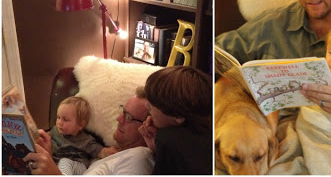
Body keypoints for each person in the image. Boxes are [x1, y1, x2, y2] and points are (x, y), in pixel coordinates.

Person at [23, 88, 154, 175]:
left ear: (148, 128)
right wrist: (49, 153)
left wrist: (54, 174)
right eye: (122, 112)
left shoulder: (139, 157)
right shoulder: (111, 156)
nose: (118, 118)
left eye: (128, 117)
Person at [138, 66, 212, 174]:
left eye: (152, 104)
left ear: (178, 116)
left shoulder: (168, 139)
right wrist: (158, 150)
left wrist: (162, 147)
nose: (147, 106)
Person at [46, 96, 119, 175]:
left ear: (80, 124)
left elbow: (99, 151)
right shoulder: (55, 130)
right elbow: (46, 136)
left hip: (77, 166)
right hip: (55, 165)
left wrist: (107, 151)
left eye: (65, 119)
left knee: (64, 162)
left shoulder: (85, 140)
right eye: (58, 117)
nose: (59, 122)